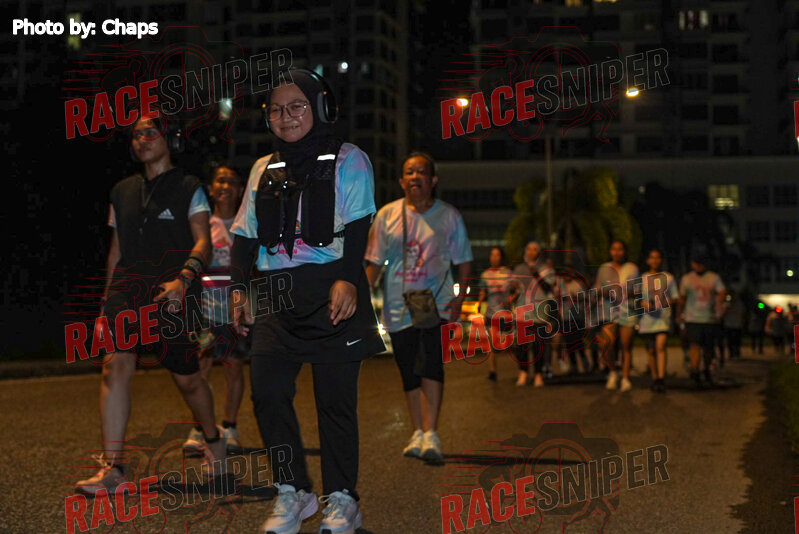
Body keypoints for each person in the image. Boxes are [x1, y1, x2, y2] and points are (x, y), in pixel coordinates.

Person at [230, 69, 385, 534]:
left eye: (297, 106)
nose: (286, 116)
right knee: (267, 392)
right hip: (274, 291)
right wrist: (238, 288)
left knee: (334, 402)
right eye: (276, 109)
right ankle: (293, 490)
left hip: (331, 286)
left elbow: (358, 225)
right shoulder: (263, 168)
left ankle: (343, 499)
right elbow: (245, 234)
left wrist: (348, 279)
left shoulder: (349, 159)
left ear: (320, 108)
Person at [76, 112, 225, 495]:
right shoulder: (122, 190)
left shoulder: (189, 187)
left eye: (150, 133)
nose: (141, 139)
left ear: (170, 139)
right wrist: (105, 302)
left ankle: (213, 438)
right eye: (136, 134)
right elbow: (116, 251)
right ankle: (114, 468)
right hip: (127, 290)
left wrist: (185, 277)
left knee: (188, 379)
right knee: (115, 365)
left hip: (173, 291)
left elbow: (203, 241)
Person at [365, 151, 473, 462]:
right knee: (408, 368)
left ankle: (431, 432)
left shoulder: (448, 216)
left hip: (435, 303)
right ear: (401, 181)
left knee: (432, 364)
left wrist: (460, 298)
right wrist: (360, 297)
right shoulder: (387, 215)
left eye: (421, 172)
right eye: (409, 172)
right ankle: (417, 432)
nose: (415, 177)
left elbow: (464, 261)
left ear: (433, 180)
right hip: (398, 304)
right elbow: (374, 263)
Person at [183, 163, 249, 457]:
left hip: (235, 309)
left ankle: (230, 427)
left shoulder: (247, 224)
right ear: (211, 189)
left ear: (240, 190)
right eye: (220, 181)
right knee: (200, 367)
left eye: (232, 181)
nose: (225, 186)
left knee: (234, 367)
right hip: (205, 309)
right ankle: (200, 428)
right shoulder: (203, 224)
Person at [507, 241, 557, 388]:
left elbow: (549, 287)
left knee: (538, 345)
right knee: (522, 344)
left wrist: (535, 273)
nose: (531, 252)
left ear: (539, 252)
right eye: (529, 249)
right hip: (523, 310)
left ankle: (538, 374)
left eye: (535, 249)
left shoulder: (546, 269)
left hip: (539, 311)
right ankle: (523, 372)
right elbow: (512, 288)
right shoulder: (519, 268)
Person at [594, 240, 639, 392]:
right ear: (610, 251)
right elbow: (597, 289)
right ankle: (613, 371)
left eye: (620, 249)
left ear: (624, 252)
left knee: (626, 345)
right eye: (614, 249)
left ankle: (625, 377)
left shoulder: (632, 268)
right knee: (607, 343)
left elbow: (636, 290)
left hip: (627, 310)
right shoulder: (604, 268)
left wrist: (626, 291)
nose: (617, 252)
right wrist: (606, 291)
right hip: (609, 311)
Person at [677, 255, 726, 388]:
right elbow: (682, 298)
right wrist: (679, 314)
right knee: (694, 345)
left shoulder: (714, 278)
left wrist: (719, 306)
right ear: (692, 264)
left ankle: (706, 370)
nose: (699, 266)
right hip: (692, 318)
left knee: (708, 347)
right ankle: (695, 371)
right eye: (696, 263)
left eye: (701, 263)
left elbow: (722, 292)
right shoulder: (687, 278)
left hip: (709, 318)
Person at [638, 249, 678, 393]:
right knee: (650, 350)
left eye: (657, 258)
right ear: (648, 260)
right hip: (647, 320)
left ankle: (661, 378)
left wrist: (664, 302)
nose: (654, 260)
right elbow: (637, 297)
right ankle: (655, 378)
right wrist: (643, 303)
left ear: (661, 260)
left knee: (660, 346)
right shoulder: (642, 278)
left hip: (662, 319)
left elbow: (675, 297)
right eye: (652, 258)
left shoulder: (669, 278)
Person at [476, 246, 512, 381]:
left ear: (501, 257)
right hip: (491, 313)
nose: (494, 258)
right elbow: (483, 291)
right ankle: (492, 371)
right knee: (491, 344)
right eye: (492, 255)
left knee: (502, 342)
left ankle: (522, 366)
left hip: (505, 314)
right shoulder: (485, 275)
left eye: (497, 255)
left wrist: (510, 300)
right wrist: (480, 302)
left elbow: (516, 290)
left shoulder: (508, 273)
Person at [721, 291, 745, 361]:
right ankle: (732, 353)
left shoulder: (739, 304)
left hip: (736, 325)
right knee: (730, 340)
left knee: (736, 340)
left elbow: (743, 314)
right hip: (729, 324)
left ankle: (736, 353)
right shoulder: (728, 303)